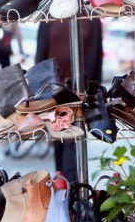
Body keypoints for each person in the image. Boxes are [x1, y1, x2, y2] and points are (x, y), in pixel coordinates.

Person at [34, 18, 103, 182]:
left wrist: (94, 94)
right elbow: (40, 55)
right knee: (58, 142)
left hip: (77, 94)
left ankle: (72, 190)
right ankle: (64, 190)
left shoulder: (90, 19)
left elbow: (96, 56)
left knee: (72, 143)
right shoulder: (49, 18)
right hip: (52, 93)